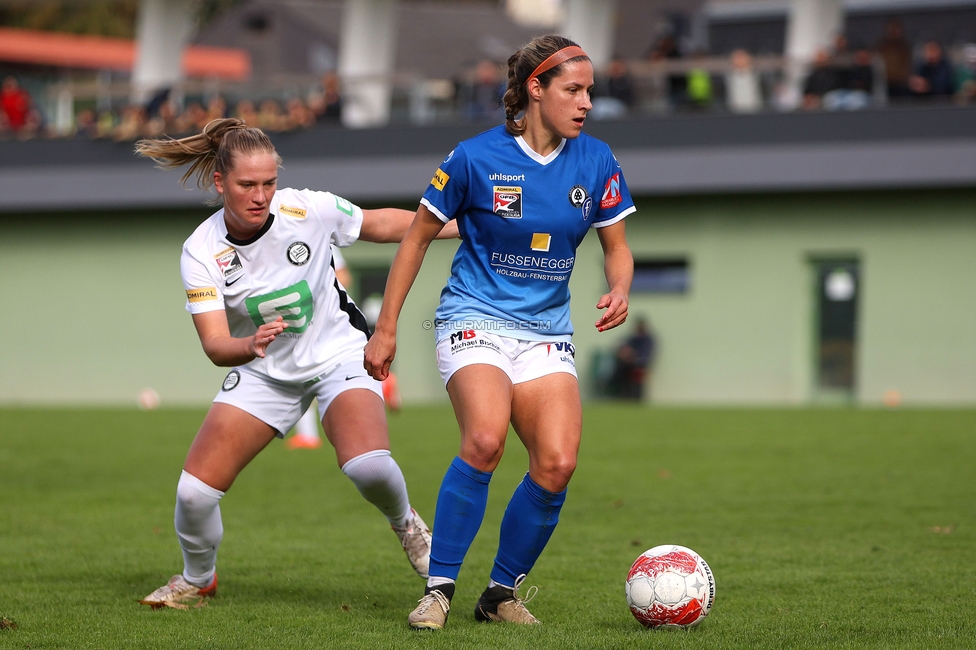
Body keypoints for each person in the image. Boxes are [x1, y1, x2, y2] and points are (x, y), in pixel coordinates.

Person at [364, 34, 635, 630]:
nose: (586, 102)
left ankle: (499, 593)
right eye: (573, 89)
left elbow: (618, 248)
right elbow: (414, 239)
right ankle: (438, 590)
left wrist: (620, 287)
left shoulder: (597, 162)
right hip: (473, 318)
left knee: (558, 463)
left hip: (545, 330)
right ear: (535, 90)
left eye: (590, 90)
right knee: (485, 440)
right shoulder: (473, 158)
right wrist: (386, 329)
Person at [132, 117, 457, 609]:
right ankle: (198, 578)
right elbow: (217, 345)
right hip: (265, 369)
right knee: (194, 494)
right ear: (220, 183)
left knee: (369, 467)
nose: (261, 195)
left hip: (338, 352)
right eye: (247, 185)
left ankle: (408, 525)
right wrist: (251, 345)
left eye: (269, 183)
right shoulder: (200, 251)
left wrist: (459, 226)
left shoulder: (306, 207)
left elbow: (381, 223)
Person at [609, 318, 656, 401]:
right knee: (620, 370)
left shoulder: (647, 340)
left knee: (633, 374)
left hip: (640, 364)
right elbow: (623, 347)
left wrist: (632, 355)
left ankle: (635, 397)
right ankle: (621, 395)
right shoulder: (633, 338)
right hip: (629, 364)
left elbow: (645, 355)